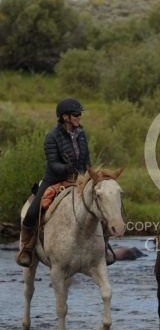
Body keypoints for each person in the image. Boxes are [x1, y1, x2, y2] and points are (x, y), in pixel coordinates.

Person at [16, 98, 115, 267]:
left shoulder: (81, 135)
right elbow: (53, 163)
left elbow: (87, 160)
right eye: (76, 114)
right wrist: (67, 168)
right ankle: (27, 247)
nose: (79, 117)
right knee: (32, 212)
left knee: (101, 206)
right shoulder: (52, 136)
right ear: (65, 117)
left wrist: (91, 174)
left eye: (80, 114)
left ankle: (104, 246)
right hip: (54, 179)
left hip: (79, 181)